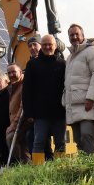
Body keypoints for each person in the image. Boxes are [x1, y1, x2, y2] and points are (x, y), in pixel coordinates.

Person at [23, 34, 67, 164]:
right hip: (40, 113)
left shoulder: (63, 64)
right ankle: (38, 170)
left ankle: (61, 169)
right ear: (41, 46)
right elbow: (26, 91)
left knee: (60, 142)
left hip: (60, 112)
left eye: (50, 44)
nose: (48, 47)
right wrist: (28, 113)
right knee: (39, 141)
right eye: (45, 45)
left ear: (55, 46)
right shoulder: (32, 64)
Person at [63, 24, 94, 155]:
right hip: (73, 105)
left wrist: (91, 98)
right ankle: (83, 167)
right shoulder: (70, 57)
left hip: (87, 103)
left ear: (83, 35)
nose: (74, 37)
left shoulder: (92, 51)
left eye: (77, 34)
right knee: (78, 140)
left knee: (86, 135)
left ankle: (91, 166)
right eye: (71, 35)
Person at [4, 64, 28, 163]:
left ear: (20, 72)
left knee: (11, 138)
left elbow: (22, 106)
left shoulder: (24, 85)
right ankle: (24, 165)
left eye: (14, 72)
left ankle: (19, 164)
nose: (11, 74)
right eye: (9, 73)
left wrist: (13, 125)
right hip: (16, 122)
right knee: (22, 147)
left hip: (24, 121)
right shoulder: (11, 86)